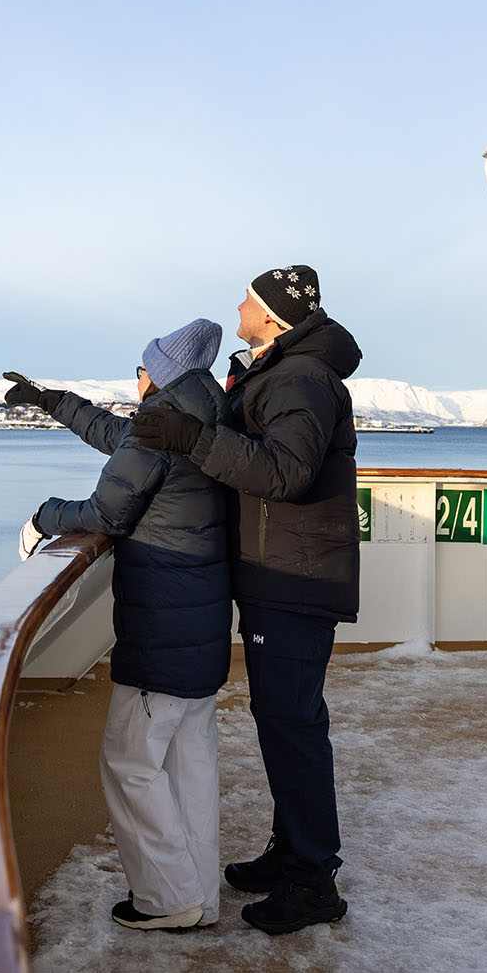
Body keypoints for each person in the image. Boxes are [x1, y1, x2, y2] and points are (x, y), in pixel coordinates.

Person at [130, 265, 360, 935]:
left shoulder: (302, 378)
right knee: (283, 719)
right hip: (280, 571)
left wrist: (192, 438)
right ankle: (292, 851)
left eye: (250, 299)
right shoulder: (279, 368)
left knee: (292, 724)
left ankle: (315, 880)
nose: (239, 304)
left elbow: (284, 473)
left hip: (295, 576)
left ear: (274, 315)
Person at [4, 317, 233, 931]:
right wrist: (56, 403)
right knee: (191, 765)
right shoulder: (208, 415)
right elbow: (120, 437)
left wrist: (46, 514)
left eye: (138, 369)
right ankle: (200, 895)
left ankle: (168, 900)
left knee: (129, 761)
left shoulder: (163, 422)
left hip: (163, 622)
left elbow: (108, 509)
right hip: (201, 617)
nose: (134, 379)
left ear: (156, 374)